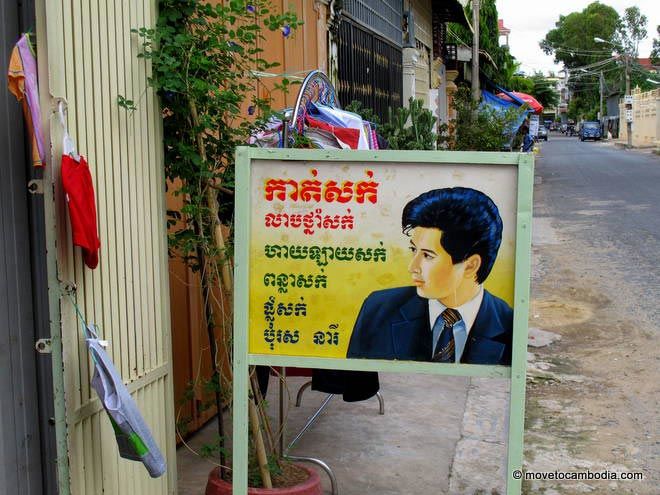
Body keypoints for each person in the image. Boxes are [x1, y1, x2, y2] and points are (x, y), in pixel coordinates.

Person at [346, 187, 513, 365]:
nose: (412, 267)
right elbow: (355, 380)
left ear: (471, 265)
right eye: (413, 250)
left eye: (427, 255)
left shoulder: (509, 325)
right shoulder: (379, 310)